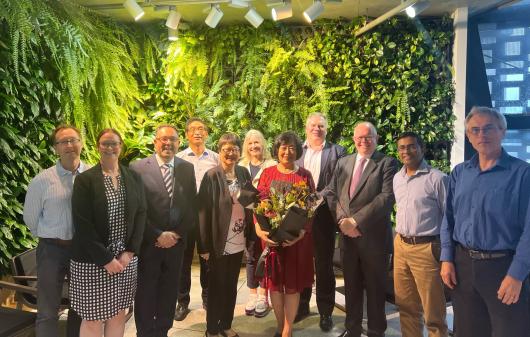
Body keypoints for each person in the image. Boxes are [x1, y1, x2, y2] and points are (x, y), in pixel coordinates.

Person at [440, 106, 530, 337]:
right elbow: (448, 219)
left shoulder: (523, 174)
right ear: (469, 137)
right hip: (463, 265)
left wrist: (517, 274)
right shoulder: (459, 173)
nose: (482, 135)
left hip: (503, 267)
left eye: (489, 128)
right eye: (475, 130)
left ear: (502, 131)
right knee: (468, 331)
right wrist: (447, 258)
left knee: (509, 331)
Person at [70, 128, 146, 337]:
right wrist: (106, 259)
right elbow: (83, 224)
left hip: (125, 261)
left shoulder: (133, 178)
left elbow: (141, 214)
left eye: (114, 143)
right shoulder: (85, 180)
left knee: (118, 313)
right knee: (93, 318)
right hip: (91, 261)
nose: (109, 147)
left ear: (121, 147)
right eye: (105, 143)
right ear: (97, 147)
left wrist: (130, 253)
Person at [326, 121, 397, 337]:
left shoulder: (387, 163)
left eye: (369, 137)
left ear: (376, 139)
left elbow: (386, 198)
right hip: (348, 238)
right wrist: (342, 222)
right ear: (354, 139)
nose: (364, 141)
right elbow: (331, 193)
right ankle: (352, 328)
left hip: (373, 239)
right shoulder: (343, 162)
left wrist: (355, 221)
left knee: (375, 289)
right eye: (360, 137)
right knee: (352, 287)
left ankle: (376, 331)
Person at [131, 124, 198, 337]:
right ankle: (144, 333)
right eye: (163, 139)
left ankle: (162, 331)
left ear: (179, 143)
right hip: (148, 244)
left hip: (176, 245)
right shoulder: (138, 168)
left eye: (172, 139)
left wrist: (176, 234)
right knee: (146, 292)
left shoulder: (186, 169)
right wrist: (157, 235)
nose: (168, 143)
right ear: (155, 142)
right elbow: (135, 209)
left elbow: (191, 206)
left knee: (169, 292)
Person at [23, 125, 87, 337]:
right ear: (55, 149)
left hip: (83, 250)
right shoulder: (42, 181)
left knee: (80, 307)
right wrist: (52, 235)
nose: (69, 145)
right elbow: (31, 219)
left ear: (81, 143)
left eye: (73, 140)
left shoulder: (93, 175)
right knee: (48, 310)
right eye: (63, 142)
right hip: (52, 250)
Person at [255, 131, 315, 337]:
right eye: (283, 147)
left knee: (292, 285)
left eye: (291, 148)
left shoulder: (305, 176)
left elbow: (310, 210)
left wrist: (300, 234)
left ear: (297, 150)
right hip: (272, 241)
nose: (287, 152)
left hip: (295, 242)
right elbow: (258, 206)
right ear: (277, 149)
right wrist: (260, 230)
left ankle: (288, 330)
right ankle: (280, 325)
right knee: (274, 286)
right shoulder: (267, 173)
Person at [198, 133, 255, 337]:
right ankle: (212, 328)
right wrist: (203, 246)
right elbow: (203, 212)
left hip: (238, 239)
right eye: (226, 149)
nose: (231, 153)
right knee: (216, 286)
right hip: (217, 242)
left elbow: (253, 201)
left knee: (231, 286)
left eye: (235, 149)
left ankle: (226, 325)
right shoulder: (212, 176)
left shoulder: (243, 173)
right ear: (220, 151)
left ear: (240, 152)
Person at [393, 132, 448, 337]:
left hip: (426, 249)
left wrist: (446, 254)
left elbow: (449, 219)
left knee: (433, 313)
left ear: (421, 148)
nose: (406, 151)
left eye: (411, 146)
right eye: (402, 148)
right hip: (401, 245)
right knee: (406, 307)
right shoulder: (397, 178)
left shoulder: (438, 179)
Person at [295, 113, 346, 331]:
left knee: (323, 265)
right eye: (313, 125)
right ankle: (303, 305)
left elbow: (337, 182)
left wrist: (316, 199)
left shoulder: (337, 151)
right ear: (306, 128)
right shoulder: (297, 150)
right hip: (298, 216)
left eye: (321, 125)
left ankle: (325, 311)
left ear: (326, 128)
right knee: (301, 261)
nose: (317, 128)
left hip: (324, 216)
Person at [175, 117, 220, 321]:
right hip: (185, 215)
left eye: (201, 129)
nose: (197, 133)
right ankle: (182, 301)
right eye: (192, 129)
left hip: (207, 215)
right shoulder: (179, 158)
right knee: (183, 260)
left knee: (207, 258)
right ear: (186, 135)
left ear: (207, 133)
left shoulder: (216, 158)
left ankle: (208, 298)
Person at [239, 129, 276, 318]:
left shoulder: (272, 165)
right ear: (246, 146)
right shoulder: (241, 165)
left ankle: (264, 294)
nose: (254, 146)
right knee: (251, 256)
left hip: (266, 219)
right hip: (246, 219)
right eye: (250, 143)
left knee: (266, 255)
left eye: (257, 142)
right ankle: (252, 293)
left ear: (263, 144)